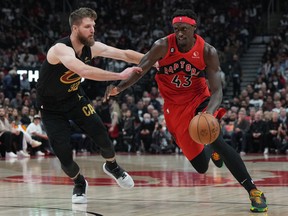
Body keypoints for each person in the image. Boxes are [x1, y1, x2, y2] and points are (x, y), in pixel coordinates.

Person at [104, 9, 268, 213]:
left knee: (217, 139)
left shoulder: (208, 51)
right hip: (174, 107)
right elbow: (140, 69)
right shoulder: (162, 45)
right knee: (201, 167)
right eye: (176, 29)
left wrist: (208, 113)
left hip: (200, 99)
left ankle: (253, 191)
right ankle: (211, 149)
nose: (179, 33)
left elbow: (217, 91)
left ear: (194, 28)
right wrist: (119, 87)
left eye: (184, 29)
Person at [36, 7, 144, 204]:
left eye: (93, 25)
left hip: (74, 98)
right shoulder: (60, 49)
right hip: (51, 109)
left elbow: (125, 54)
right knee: (65, 159)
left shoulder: (91, 47)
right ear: (75, 28)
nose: (93, 30)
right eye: (88, 26)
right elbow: (84, 70)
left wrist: (154, 62)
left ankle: (112, 166)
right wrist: (120, 76)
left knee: (104, 139)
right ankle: (79, 182)